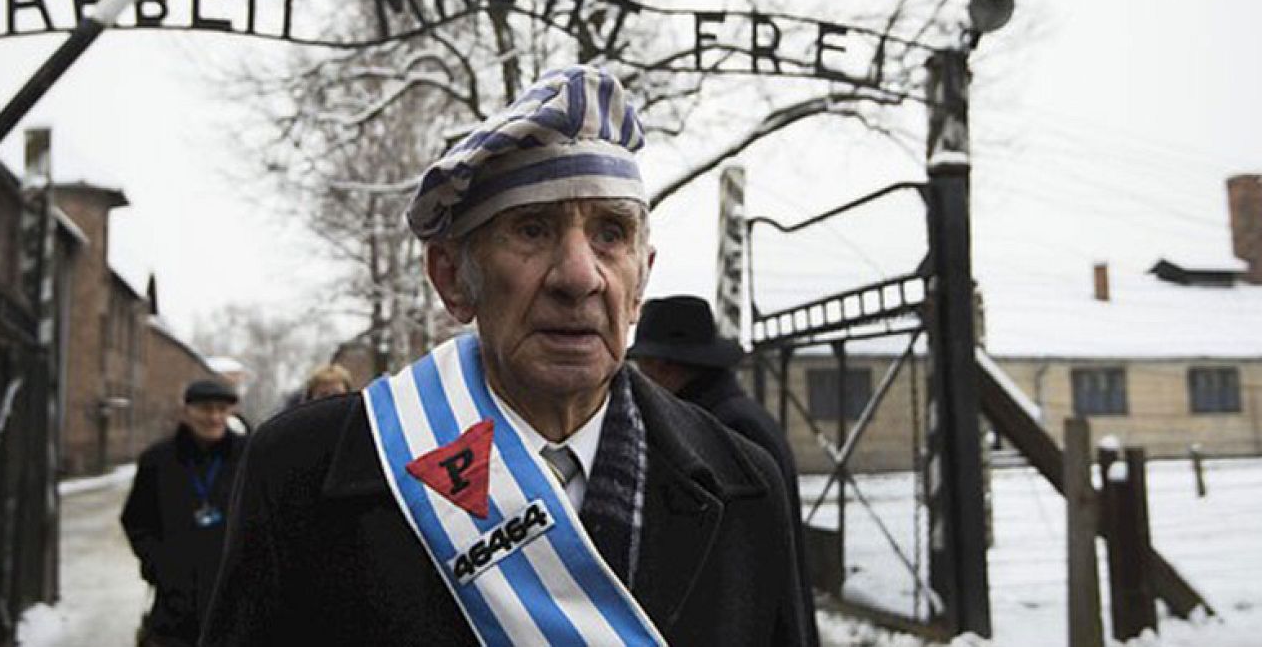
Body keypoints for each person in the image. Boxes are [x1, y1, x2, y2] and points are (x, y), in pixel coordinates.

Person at [203, 65, 810, 646]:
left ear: (641, 280)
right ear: (451, 278)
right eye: (532, 229)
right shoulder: (302, 474)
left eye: (610, 233)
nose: (579, 276)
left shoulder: (745, 485)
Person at [627, 295, 819, 645]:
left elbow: (736, 570)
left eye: (645, 368)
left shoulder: (727, 429)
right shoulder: (734, 415)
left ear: (665, 366)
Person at [122, 378, 246, 647]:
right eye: (205, 409)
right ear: (187, 411)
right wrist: (158, 565)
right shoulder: (158, 460)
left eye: (220, 409)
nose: (213, 417)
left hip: (232, 593)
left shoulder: (247, 456)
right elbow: (136, 520)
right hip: (175, 601)